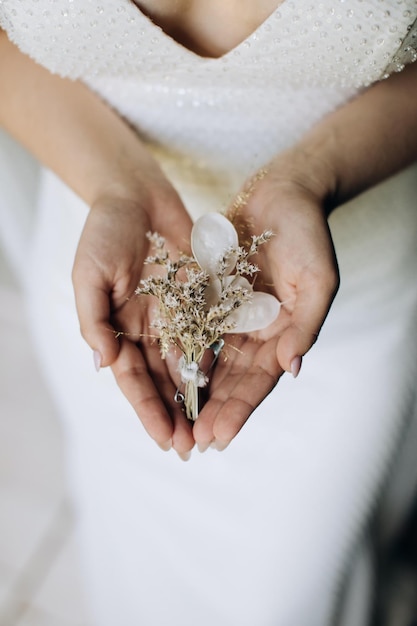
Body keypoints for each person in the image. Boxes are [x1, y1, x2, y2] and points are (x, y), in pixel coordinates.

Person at [1, 1, 417, 624]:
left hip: (326, 294)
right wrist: (114, 181)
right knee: (137, 566)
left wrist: (312, 176)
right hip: (120, 273)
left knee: (285, 593)